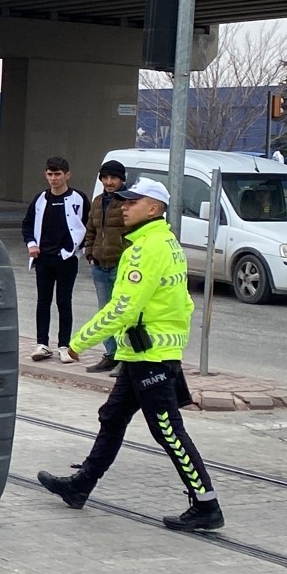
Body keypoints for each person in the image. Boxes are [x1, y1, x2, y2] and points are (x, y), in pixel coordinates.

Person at [37, 177, 223, 532]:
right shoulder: (166, 242)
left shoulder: (145, 248)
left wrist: (79, 342)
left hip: (150, 354)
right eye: (123, 200)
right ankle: (80, 486)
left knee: (167, 430)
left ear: (153, 208)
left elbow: (122, 307)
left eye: (132, 201)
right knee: (113, 417)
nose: (123, 205)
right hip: (147, 351)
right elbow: (182, 303)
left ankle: (206, 504)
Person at [22, 156, 87, 363]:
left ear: (67, 175)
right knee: (43, 301)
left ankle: (64, 345)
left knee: (64, 301)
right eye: (50, 174)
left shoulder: (78, 198)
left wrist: (73, 249)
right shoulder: (40, 199)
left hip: (67, 259)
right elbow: (27, 224)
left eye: (57, 174)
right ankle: (42, 343)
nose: (53, 178)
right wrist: (32, 244)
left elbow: (88, 226)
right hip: (44, 259)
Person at [81, 160, 129, 373]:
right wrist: (90, 253)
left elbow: (133, 234)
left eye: (114, 178)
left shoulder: (129, 202)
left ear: (122, 179)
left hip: (121, 266)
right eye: (106, 178)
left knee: (124, 313)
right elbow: (91, 229)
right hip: (100, 266)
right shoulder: (98, 201)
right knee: (105, 313)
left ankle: (124, 358)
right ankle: (110, 355)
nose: (109, 182)